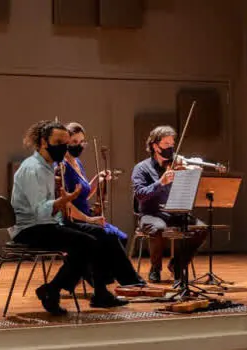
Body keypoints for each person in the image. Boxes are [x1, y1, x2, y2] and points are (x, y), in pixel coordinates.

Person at [10, 121, 134, 315]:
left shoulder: (51, 166)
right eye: (58, 142)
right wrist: (63, 201)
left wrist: (68, 207)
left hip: (49, 223)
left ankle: (100, 293)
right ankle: (53, 289)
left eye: (65, 143)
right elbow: (40, 212)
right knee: (87, 244)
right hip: (30, 229)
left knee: (103, 235)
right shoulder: (34, 169)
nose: (63, 147)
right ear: (43, 142)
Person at [132, 125, 207, 284]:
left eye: (172, 145)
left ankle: (178, 265)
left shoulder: (177, 165)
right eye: (166, 145)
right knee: (158, 228)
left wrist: (192, 175)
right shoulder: (141, 168)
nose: (171, 149)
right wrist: (161, 182)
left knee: (201, 229)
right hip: (151, 213)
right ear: (155, 146)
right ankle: (155, 268)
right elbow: (140, 194)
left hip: (175, 212)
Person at [61, 122, 127, 246]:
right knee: (112, 239)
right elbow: (66, 204)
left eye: (82, 142)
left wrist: (97, 178)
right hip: (75, 219)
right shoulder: (62, 166)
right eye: (74, 141)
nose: (79, 145)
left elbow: (83, 195)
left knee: (121, 237)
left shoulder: (77, 162)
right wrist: (90, 220)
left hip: (85, 215)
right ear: (65, 142)